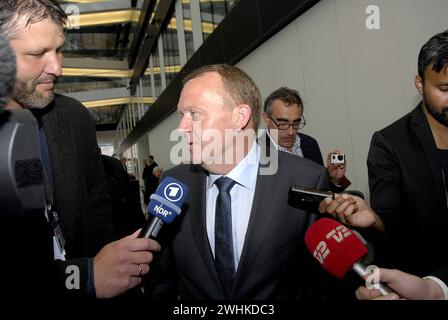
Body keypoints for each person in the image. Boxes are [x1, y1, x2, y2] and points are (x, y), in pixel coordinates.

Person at [0, 0, 160, 298]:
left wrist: (114, 273)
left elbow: (97, 210)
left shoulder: (73, 117)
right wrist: (84, 278)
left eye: (58, 49)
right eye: (38, 54)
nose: (57, 68)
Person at [144, 64, 338, 300]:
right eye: (181, 115)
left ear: (240, 117)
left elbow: (322, 282)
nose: (181, 128)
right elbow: (162, 281)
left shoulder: (307, 178)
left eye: (194, 114)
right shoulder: (174, 184)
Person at [321, 30, 448, 278]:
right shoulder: (390, 143)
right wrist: (374, 221)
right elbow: (389, 222)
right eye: (444, 88)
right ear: (420, 84)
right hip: (422, 279)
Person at [262, 87, 351, 193]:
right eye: (282, 123)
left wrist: (333, 179)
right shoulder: (255, 150)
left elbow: (321, 195)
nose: (291, 132)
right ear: (266, 119)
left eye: (296, 123)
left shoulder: (310, 144)